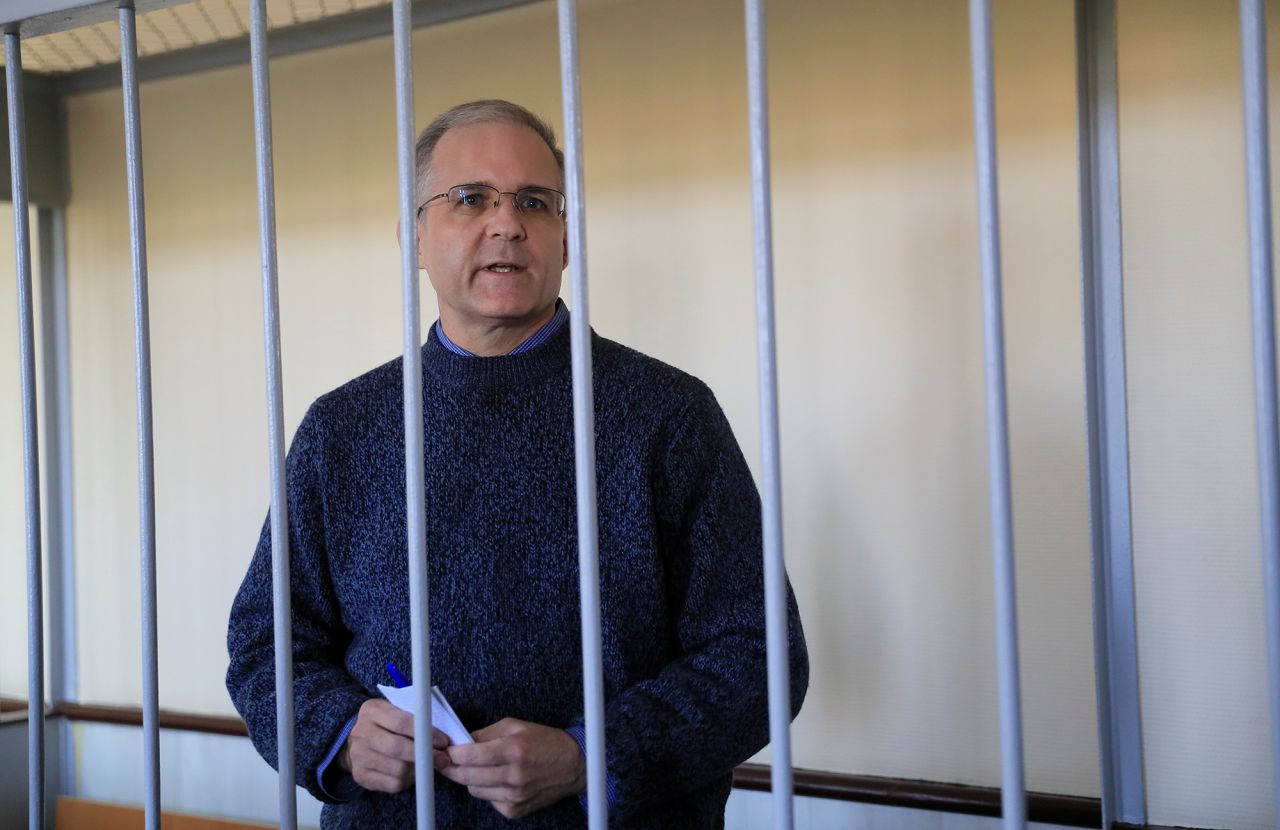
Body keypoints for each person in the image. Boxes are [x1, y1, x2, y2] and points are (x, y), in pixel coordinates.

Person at [226, 99, 809, 828]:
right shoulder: (341, 429)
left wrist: (591, 756)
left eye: (535, 201)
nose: (507, 223)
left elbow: (761, 656)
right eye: (469, 199)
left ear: (564, 239)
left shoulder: (667, 414)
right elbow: (265, 645)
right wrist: (339, 733)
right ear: (414, 236)